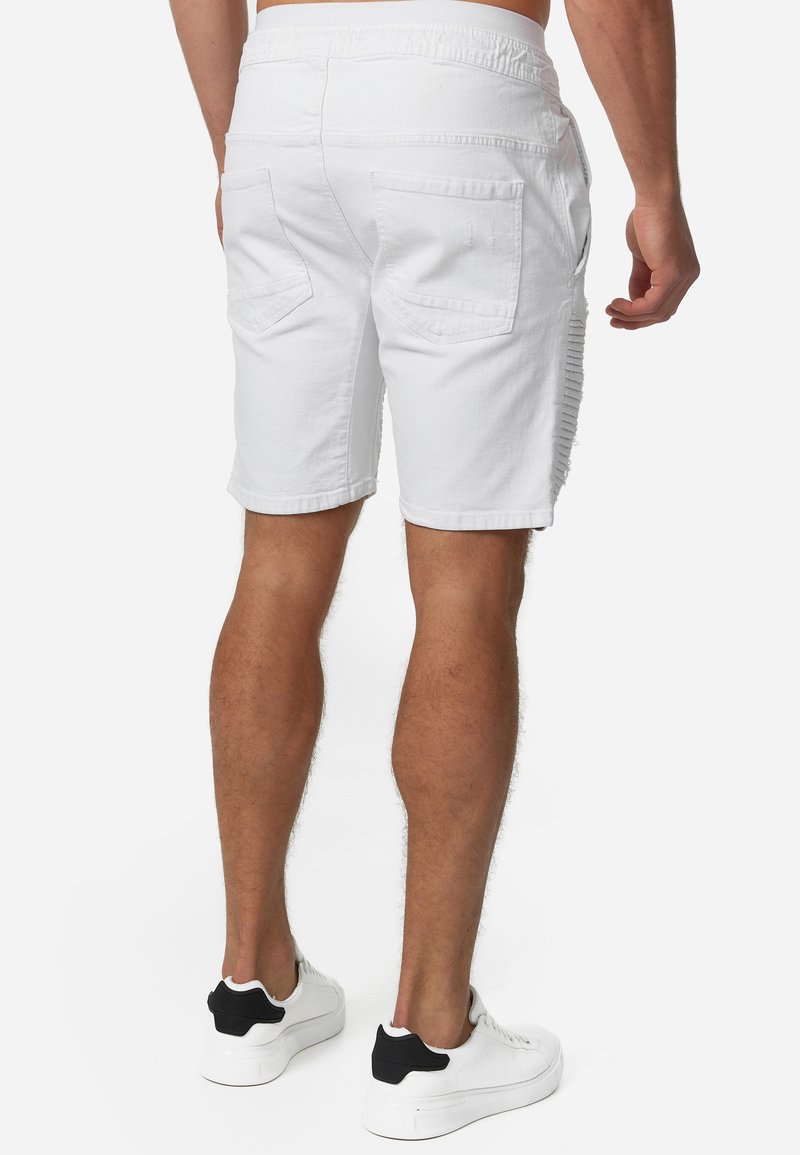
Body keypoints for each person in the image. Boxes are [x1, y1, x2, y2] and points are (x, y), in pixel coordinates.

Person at [169, 0, 699, 1139]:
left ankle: (250, 988)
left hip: (280, 99)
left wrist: (237, 140)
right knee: (463, 580)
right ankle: (429, 1038)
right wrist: (657, 183)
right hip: (459, 93)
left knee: (278, 556)